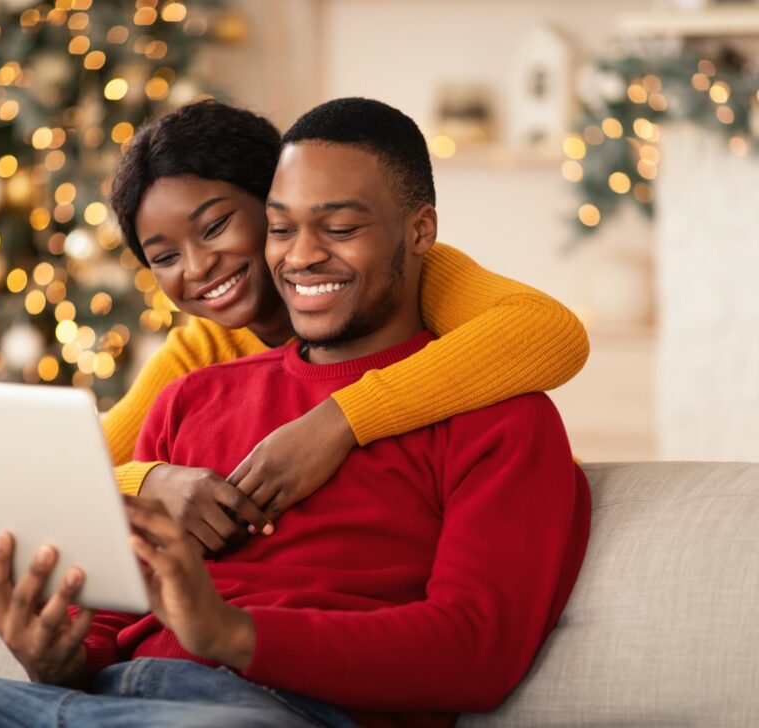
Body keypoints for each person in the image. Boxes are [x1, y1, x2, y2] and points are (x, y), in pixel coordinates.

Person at [0, 98, 591, 728]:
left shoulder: (497, 411)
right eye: (285, 229)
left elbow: (474, 649)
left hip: (255, 710)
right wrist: (53, 650)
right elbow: (110, 598)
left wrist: (234, 634)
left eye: (340, 226)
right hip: (90, 701)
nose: (301, 256)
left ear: (416, 233)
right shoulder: (193, 388)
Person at [100, 99, 589, 553]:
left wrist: (338, 422)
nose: (198, 266)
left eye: (215, 227)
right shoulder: (201, 355)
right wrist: (148, 483)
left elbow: (551, 332)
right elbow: (72, 461)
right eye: (164, 256)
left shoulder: (416, 277)